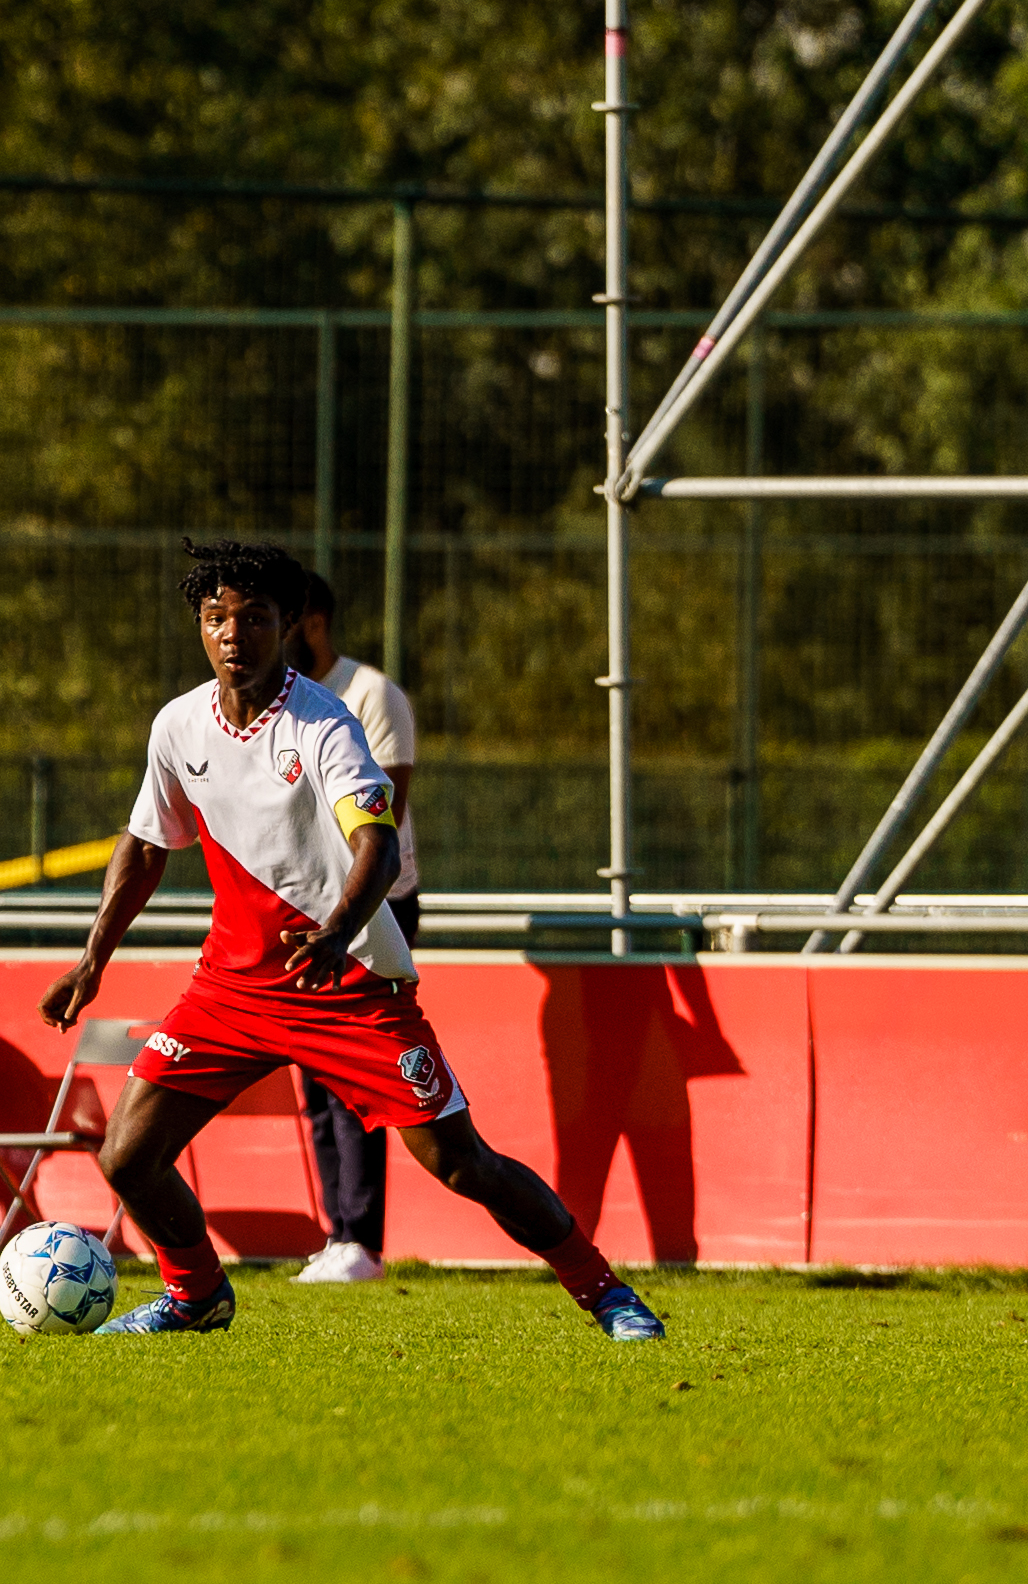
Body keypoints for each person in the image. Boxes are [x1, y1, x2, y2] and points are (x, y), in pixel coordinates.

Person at [38, 539, 662, 1341]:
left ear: (290, 624)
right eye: (215, 617)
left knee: (461, 1162)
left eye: (254, 617)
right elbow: (147, 844)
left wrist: (336, 934)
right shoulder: (178, 725)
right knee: (126, 1156)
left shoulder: (324, 723)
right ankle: (196, 1295)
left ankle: (606, 1290)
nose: (233, 633)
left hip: (349, 983)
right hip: (231, 988)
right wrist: (93, 958)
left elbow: (379, 843)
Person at [286, 570, 418, 1285]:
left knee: (353, 1066)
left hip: (375, 906)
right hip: (308, 907)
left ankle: (362, 1237)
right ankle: (338, 1232)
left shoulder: (370, 693)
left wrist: (344, 910)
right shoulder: (278, 703)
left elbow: (383, 817)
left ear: (311, 621)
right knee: (313, 1069)